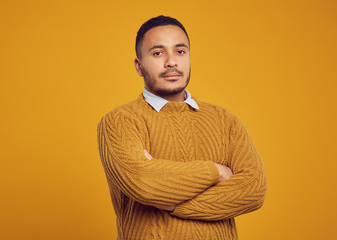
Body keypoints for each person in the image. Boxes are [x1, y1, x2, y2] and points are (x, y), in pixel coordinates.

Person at [97, 15, 267, 240]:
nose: (171, 62)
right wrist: (217, 172)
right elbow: (143, 182)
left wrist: (173, 204)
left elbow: (253, 191)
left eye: (180, 51)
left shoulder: (226, 121)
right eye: (158, 53)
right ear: (139, 66)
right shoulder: (120, 121)